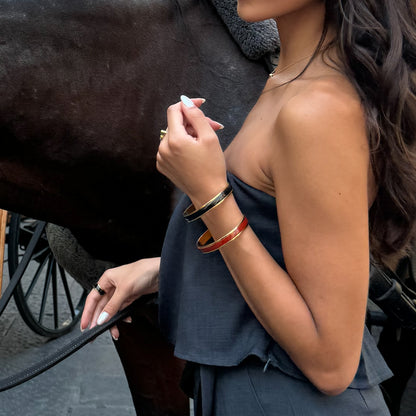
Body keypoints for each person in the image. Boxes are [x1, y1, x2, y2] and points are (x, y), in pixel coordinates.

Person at [80, 0, 416, 414]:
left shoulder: (318, 108)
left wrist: (209, 195)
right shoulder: (290, 77)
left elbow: (332, 363)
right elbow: (285, 248)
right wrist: (160, 270)